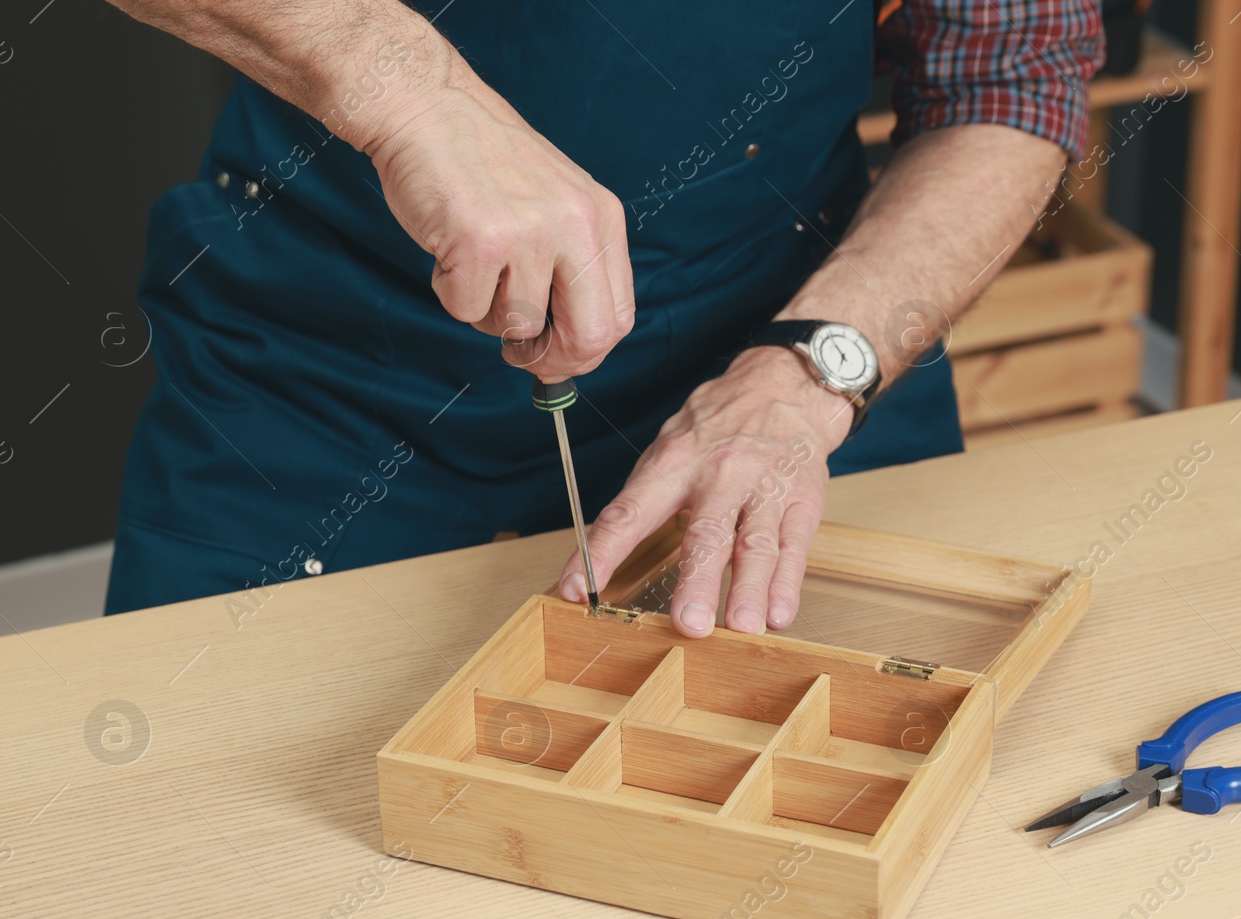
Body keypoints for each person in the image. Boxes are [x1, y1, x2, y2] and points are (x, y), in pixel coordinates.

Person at [101, 0, 1103, 637]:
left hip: (783, 341)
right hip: (317, 358)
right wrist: (411, 90)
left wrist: (810, 373)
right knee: (208, 847)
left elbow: (1009, 77)